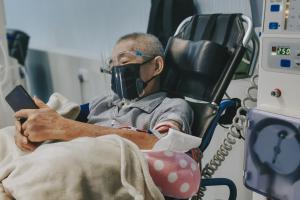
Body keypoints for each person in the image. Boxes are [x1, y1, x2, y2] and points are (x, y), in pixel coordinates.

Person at [14, 32, 193, 152]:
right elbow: (64, 117)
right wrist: (27, 128)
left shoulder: (172, 107)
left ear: (156, 66)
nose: (116, 71)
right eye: (112, 65)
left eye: (123, 62)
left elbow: (161, 144)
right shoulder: (104, 102)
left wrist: (64, 128)